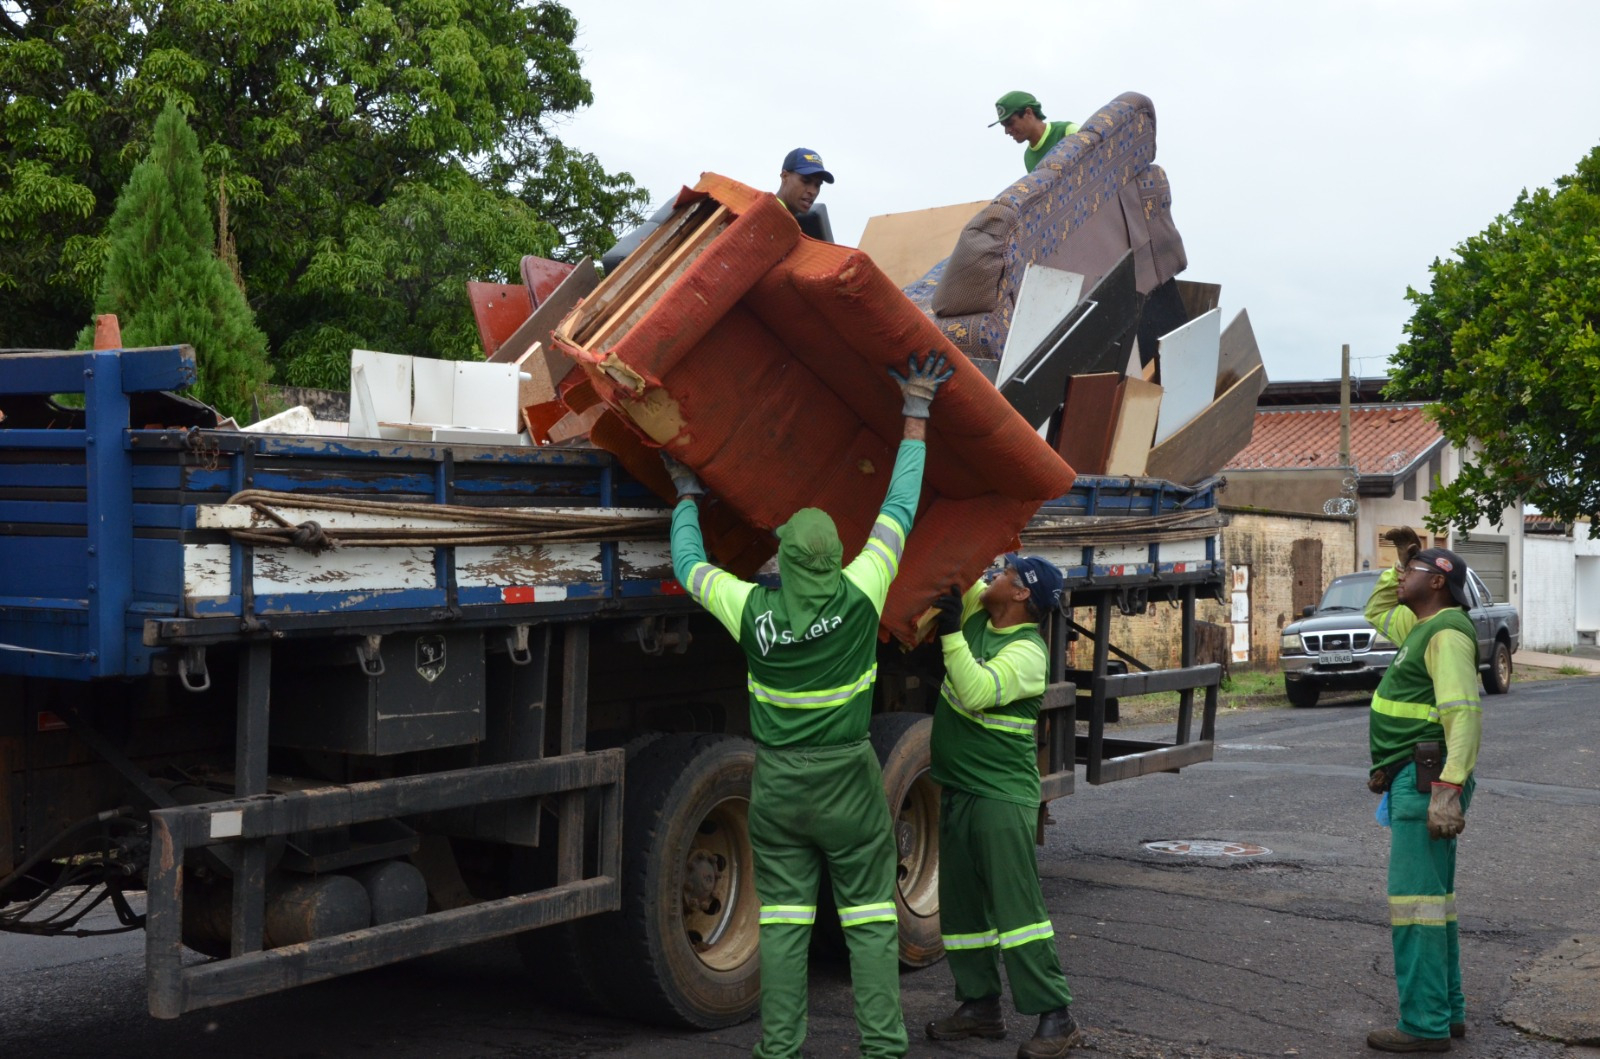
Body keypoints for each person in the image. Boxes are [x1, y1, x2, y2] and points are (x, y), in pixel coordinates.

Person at [662, 351, 953, 1059]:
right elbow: (899, 508)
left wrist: (685, 496)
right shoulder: (863, 590)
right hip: (850, 784)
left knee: (786, 926)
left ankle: (781, 1048)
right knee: (871, 921)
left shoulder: (750, 609)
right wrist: (916, 409)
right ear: (833, 557)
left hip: (780, 787)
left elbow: (691, 570)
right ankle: (883, 1046)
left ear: (787, 561)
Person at [924, 555, 1080, 1059]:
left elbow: (973, 691)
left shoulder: (1028, 653)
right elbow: (960, 566)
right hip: (959, 787)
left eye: (1009, 574)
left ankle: (1057, 1017)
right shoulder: (979, 612)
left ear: (1021, 596)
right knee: (964, 907)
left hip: (998, 796)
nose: (997, 576)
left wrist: (949, 635)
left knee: (1019, 914)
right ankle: (979, 1007)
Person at [1361, 528, 1482, 1053]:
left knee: (1415, 907)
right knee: (1436, 904)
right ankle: (1446, 1014)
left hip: (1427, 778)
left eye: (1412, 571)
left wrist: (1448, 788)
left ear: (1437, 582)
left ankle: (1424, 1026)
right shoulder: (1421, 624)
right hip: (1416, 776)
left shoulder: (1446, 634)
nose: (1401, 577)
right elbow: (1375, 610)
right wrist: (1398, 563)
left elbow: (1463, 714)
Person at [989, 91, 1080, 174]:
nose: (1007, 131)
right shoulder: (1028, 157)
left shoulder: (1067, 131)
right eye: (1004, 126)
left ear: (1028, 113)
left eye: (1010, 123)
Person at [776, 147, 833, 217]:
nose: (813, 191)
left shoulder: (794, 223)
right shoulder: (765, 216)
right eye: (806, 181)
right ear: (785, 176)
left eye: (817, 185)